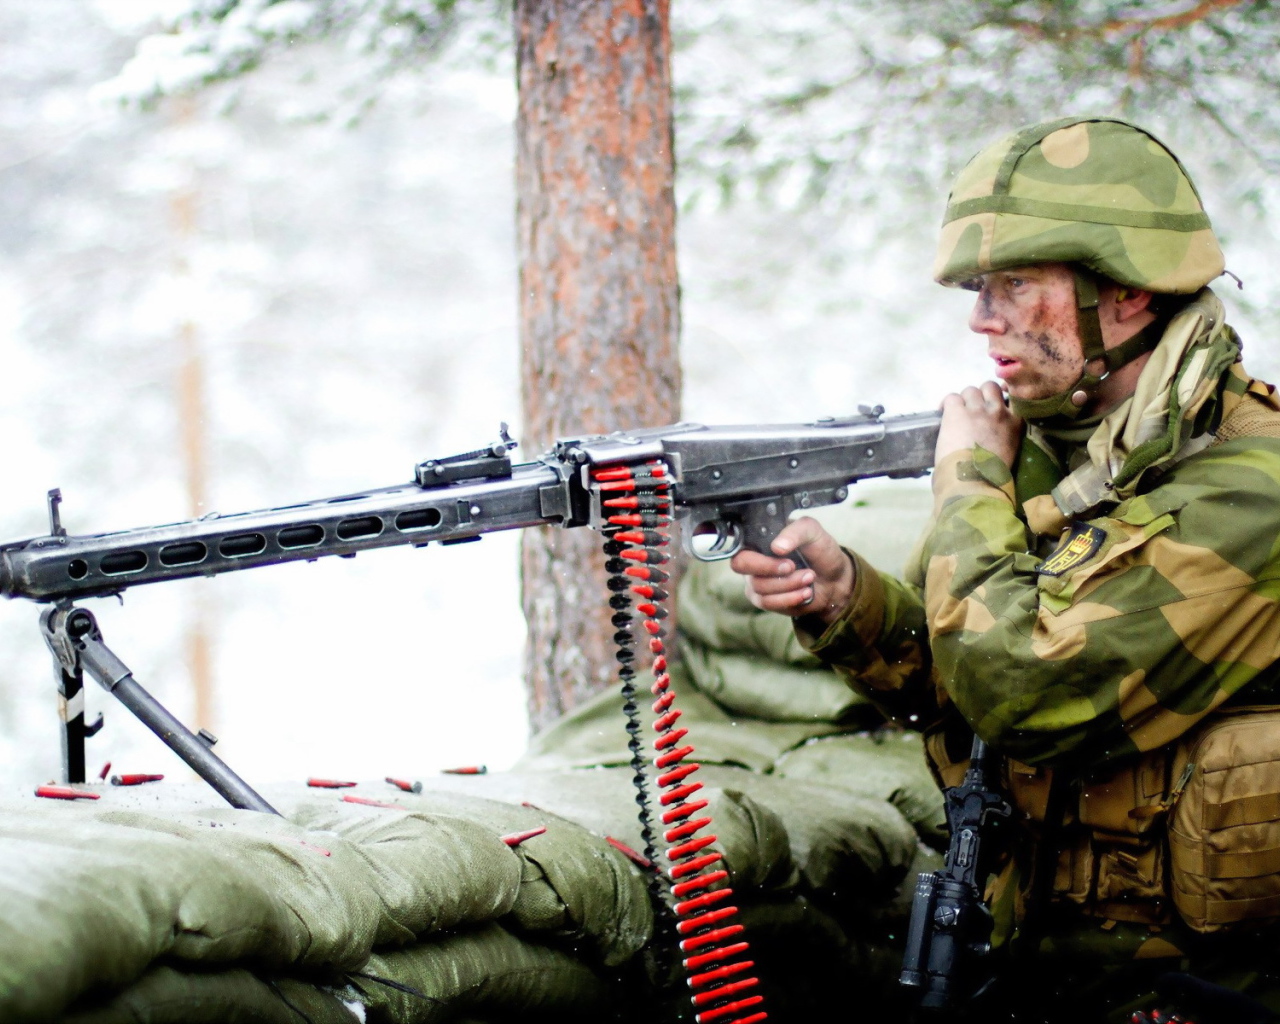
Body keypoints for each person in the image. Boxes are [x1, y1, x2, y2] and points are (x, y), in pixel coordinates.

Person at [730, 115, 1280, 1021]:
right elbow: (963, 692)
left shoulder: (1251, 488)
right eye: (979, 287)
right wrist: (848, 603)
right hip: (1040, 980)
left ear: (1129, 292)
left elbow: (1026, 687)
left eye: (1014, 284)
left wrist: (969, 478)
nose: (981, 319)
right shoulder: (1057, 451)